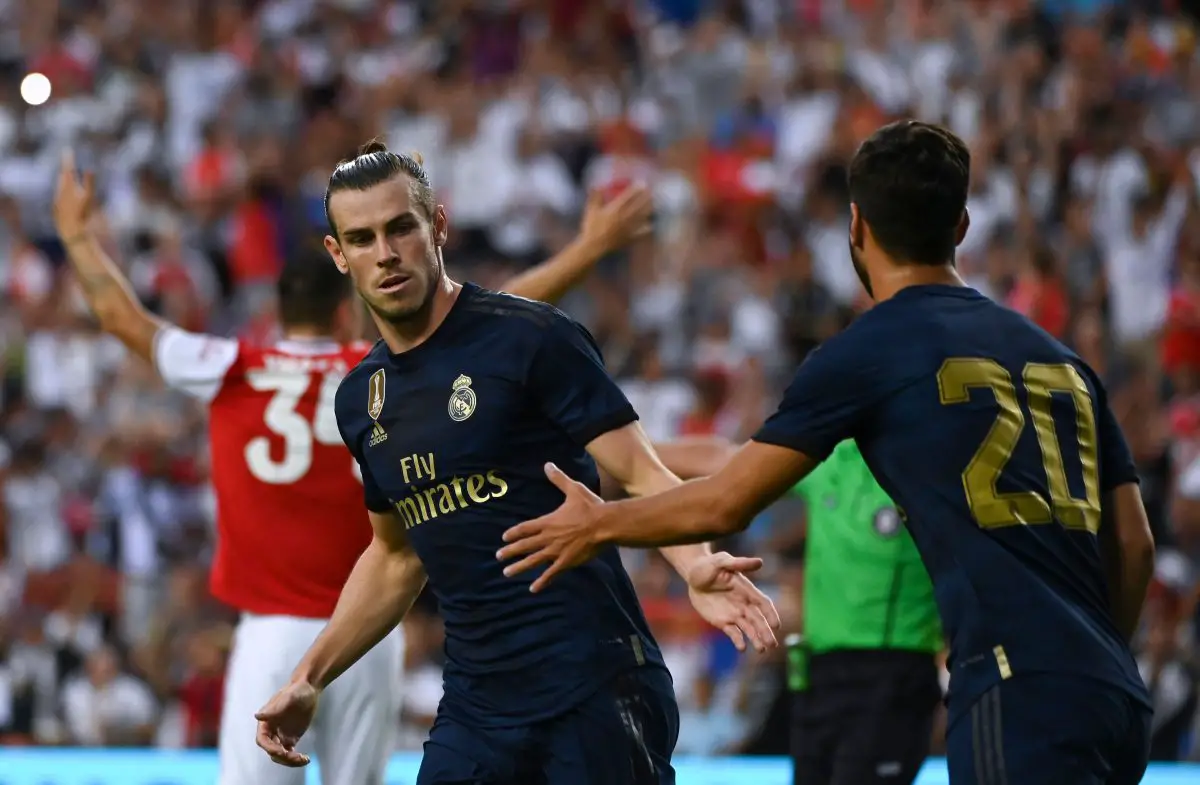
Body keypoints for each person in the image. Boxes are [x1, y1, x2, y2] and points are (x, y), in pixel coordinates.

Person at [498, 121, 1158, 785]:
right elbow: (1133, 544)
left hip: (1015, 687)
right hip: (1114, 692)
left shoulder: (871, 349)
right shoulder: (1066, 362)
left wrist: (600, 523)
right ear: (960, 226)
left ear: (856, 227)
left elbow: (730, 496)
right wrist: (1094, 657)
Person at [51, 146, 660, 785]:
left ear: (276, 315)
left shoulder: (236, 367)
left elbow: (124, 319)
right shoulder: (381, 374)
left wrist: (76, 236)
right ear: (343, 297)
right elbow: (490, 321)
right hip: (370, 632)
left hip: (283, 632)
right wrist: (587, 251)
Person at [251, 141, 780, 785]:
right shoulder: (360, 399)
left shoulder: (531, 337)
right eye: (361, 239)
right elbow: (395, 556)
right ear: (339, 255)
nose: (384, 253)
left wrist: (696, 562)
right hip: (478, 705)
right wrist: (310, 677)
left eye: (400, 229)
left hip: (593, 682)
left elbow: (640, 470)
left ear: (437, 226)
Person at [656, 436, 942, 785]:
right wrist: (615, 448)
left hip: (893, 673)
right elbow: (723, 457)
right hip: (817, 673)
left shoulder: (930, 468)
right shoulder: (831, 460)